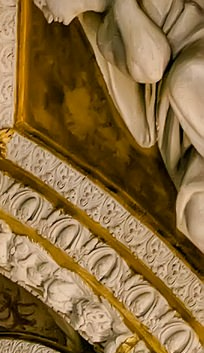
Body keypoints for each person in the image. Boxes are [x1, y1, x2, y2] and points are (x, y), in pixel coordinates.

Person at [34, 0, 204, 250]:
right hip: (183, 125)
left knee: (185, 78)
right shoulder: (107, 35)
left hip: (196, 67)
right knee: (197, 218)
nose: (43, 9)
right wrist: (123, 6)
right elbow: (151, 66)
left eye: (42, 0)